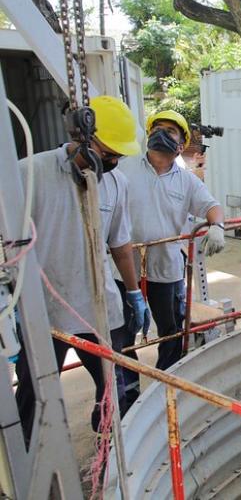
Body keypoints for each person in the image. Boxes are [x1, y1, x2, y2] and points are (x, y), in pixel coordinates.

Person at [14, 96, 147, 444]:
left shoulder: (116, 184)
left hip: (99, 308)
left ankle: (113, 447)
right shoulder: (29, 173)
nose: (114, 161)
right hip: (45, 311)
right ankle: (23, 466)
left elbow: (120, 245)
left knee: (118, 387)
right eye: (108, 153)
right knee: (33, 396)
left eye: (119, 155)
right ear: (80, 135)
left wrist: (133, 293)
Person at [117, 110, 224, 389]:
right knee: (121, 337)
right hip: (122, 268)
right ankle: (129, 395)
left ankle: (162, 391)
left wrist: (217, 226)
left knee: (171, 334)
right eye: (157, 128)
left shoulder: (186, 180)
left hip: (164, 270)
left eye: (170, 131)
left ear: (180, 145)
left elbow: (212, 206)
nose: (161, 134)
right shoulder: (124, 168)